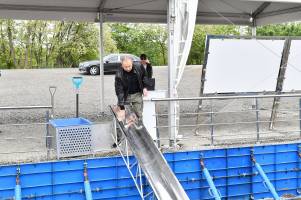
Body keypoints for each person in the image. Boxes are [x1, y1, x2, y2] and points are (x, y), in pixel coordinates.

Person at [113, 56, 148, 147]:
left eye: (129, 66)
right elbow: (119, 91)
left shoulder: (139, 67)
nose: (128, 68)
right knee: (120, 117)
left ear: (132, 63)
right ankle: (119, 139)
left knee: (139, 115)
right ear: (122, 65)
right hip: (125, 96)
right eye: (126, 67)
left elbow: (145, 77)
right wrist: (121, 106)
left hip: (137, 94)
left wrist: (144, 87)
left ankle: (141, 138)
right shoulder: (119, 75)